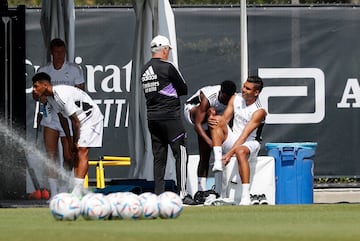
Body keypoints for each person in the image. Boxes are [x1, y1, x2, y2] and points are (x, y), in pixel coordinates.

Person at [141, 35, 195, 205]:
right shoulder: (168, 66)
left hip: (152, 117)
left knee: (159, 157)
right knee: (181, 153)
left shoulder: (144, 69)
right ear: (164, 50)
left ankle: (158, 194)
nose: (169, 53)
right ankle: (182, 193)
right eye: (168, 50)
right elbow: (183, 88)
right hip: (170, 117)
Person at [32, 72, 104, 199]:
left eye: (36, 86)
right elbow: (63, 120)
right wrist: (70, 142)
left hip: (90, 118)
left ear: (45, 85)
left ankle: (77, 192)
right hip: (79, 120)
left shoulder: (61, 95)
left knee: (82, 150)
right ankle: (76, 191)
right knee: (75, 153)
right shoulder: (50, 97)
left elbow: (75, 122)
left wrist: (75, 142)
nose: (34, 89)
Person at [37, 38, 85, 198]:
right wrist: (40, 98)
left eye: (62, 52)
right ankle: (54, 192)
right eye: (56, 52)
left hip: (67, 116)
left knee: (68, 155)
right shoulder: (44, 71)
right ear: (51, 53)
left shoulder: (74, 70)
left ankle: (64, 186)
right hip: (50, 118)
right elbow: (35, 94)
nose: (59, 56)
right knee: (51, 155)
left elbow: (82, 93)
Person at [208, 76, 267, 205]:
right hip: (234, 137)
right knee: (217, 120)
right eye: (244, 86)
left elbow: (244, 136)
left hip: (251, 142)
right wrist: (213, 116)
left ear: (256, 93)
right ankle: (218, 161)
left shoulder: (259, 111)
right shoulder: (235, 98)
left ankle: (245, 196)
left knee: (240, 151)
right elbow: (225, 120)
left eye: (248, 88)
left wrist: (229, 155)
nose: (243, 90)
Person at [183, 81, 236, 192]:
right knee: (205, 154)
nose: (226, 101)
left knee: (215, 116)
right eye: (224, 99)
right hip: (193, 111)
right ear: (220, 92)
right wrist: (210, 142)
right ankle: (200, 190)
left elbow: (229, 121)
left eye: (228, 99)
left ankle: (218, 189)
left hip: (216, 117)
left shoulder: (233, 98)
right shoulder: (208, 97)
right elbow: (197, 125)